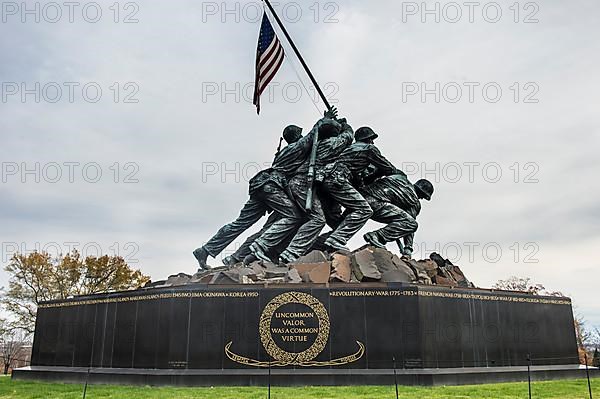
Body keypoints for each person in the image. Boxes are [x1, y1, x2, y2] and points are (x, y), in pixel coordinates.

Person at [192, 123, 317, 270]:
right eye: (299, 134)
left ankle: (206, 250)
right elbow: (311, 136)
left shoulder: (285, 152)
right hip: (271, 187)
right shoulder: (293, 148)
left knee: (240, 223)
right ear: (295, 136)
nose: (302, 136)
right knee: (293, 216)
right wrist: (324, 120)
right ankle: (259, 247)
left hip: (262, 186)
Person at [277, 118, 355, 263]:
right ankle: (291, 253)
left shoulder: (312, 146)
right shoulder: (328, 144)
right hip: (304, 185)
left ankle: (319, 246)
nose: (302, 136)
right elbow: (348, 136)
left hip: (315, 188)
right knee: (318, 219)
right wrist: (345, 126)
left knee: (335, 223)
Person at [318, 126, 398, 251]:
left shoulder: (350, 149)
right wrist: (380, 174)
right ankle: (336, 239)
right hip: (337, 179)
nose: (373, 142)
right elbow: (389, 169)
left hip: (327, 179)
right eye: (372, 139)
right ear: (369, 139)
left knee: (338, 221)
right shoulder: (369, 149)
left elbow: (357, 178)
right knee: (365, 210)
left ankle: (319, 244)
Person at [361, 174, 434, 257]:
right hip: (375, 204)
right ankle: (377, 236)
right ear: (421, 193)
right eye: (423, 196)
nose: (421, 199)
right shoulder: (414, 201)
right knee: (412, 224)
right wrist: (408, 248)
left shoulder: (401, 179)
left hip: (361, 197)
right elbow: (409, 225)